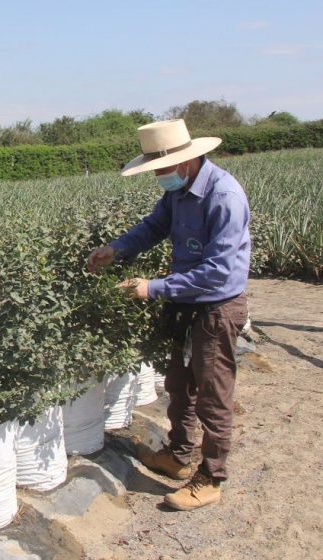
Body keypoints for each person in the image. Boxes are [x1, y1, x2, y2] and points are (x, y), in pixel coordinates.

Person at [87, 119, 250, 511]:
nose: (159, 176)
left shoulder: (223, 196)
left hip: (215, 307)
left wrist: (152, 288)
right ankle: (178, 457)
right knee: (180, 383)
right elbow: (155, 226)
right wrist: (118, 248)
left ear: (186, 162)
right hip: (185, 304)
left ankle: (211, 477)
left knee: (213, 395)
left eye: (161, 168)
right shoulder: (177, 193)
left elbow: (218, 272)